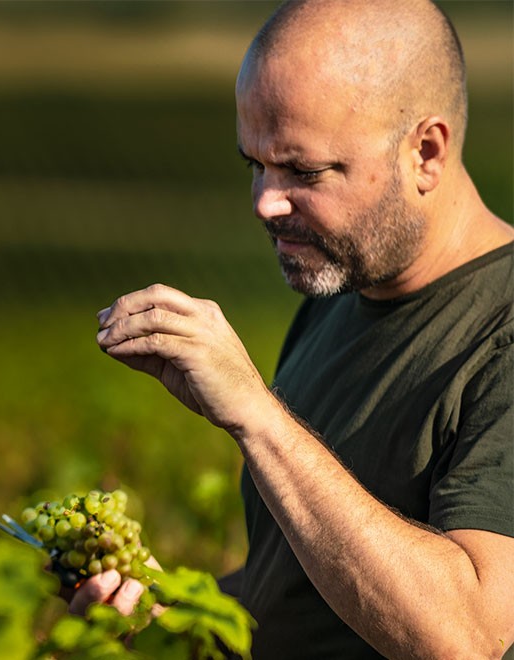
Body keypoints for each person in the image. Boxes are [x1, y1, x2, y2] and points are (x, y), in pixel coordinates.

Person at [77, 1, 514, 658]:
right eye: (255, 164)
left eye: (304, 172)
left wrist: (257, 416)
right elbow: (299, 596)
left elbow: (468, 636)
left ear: (426, 151)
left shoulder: (499, 333)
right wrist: (181, 612)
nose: (264, 202)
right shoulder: (343, 290)